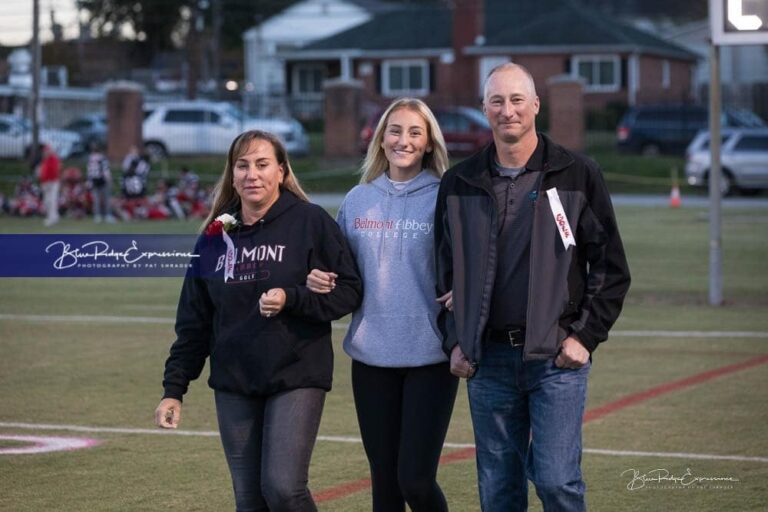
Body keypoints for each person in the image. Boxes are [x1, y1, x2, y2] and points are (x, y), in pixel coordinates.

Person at [434, 63, 631, 511]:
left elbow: (611, 268)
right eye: (497, 101)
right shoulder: (459, 182)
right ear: (484, 109)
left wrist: (585, 337)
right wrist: (454, 342)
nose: (508, 111)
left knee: (557, 482)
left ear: (536, 106)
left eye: (517, 100)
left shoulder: (576, 173)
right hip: (489, 360)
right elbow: (442, 276)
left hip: (556, 359)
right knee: (499, 491)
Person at [155, 130, 362, 512]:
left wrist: (293, 297)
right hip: (234, 380)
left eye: (262, 164)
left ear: (281, 172)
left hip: (296, 373)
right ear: (232, 175)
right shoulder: (215, 237)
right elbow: (194, 323)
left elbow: (349, 291)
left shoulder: (309, 222)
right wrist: (174, 388)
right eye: (243, 165)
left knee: (283, 488)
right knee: (249, 501)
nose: (252, 174)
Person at [306, 98, 458, 511]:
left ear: (429, 143)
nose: (403, 140)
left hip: (430, 357)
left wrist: (466, 288)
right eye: (395, 131)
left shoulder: (446, 196)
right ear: (381, 138)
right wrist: (320, 279)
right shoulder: (357, 200)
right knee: (384, 485)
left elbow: (472, 261)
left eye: (414, 132)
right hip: (372, 358)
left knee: (415, 480)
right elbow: (343, 276)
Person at [86, 142, 115, 223]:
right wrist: (110, 180)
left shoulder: (90, 158)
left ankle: (97, 216)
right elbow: (106, 171)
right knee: (106, 199)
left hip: (94, 181)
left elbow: (89, 172)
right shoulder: (102, 158)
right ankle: (108, 215)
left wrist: (89, 181)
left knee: (96, 200)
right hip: (103, 180)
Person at [36, 144, 61, 226]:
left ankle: (52, 218)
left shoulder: (54, 159)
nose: (45, 153)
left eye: (47, 151)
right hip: (45, 183)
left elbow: (55, 171)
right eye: (45, 151)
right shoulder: (45, 160)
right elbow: (42, 172)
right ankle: (54, 216)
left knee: (52, 201)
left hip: (53, 183)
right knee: (47, 201)